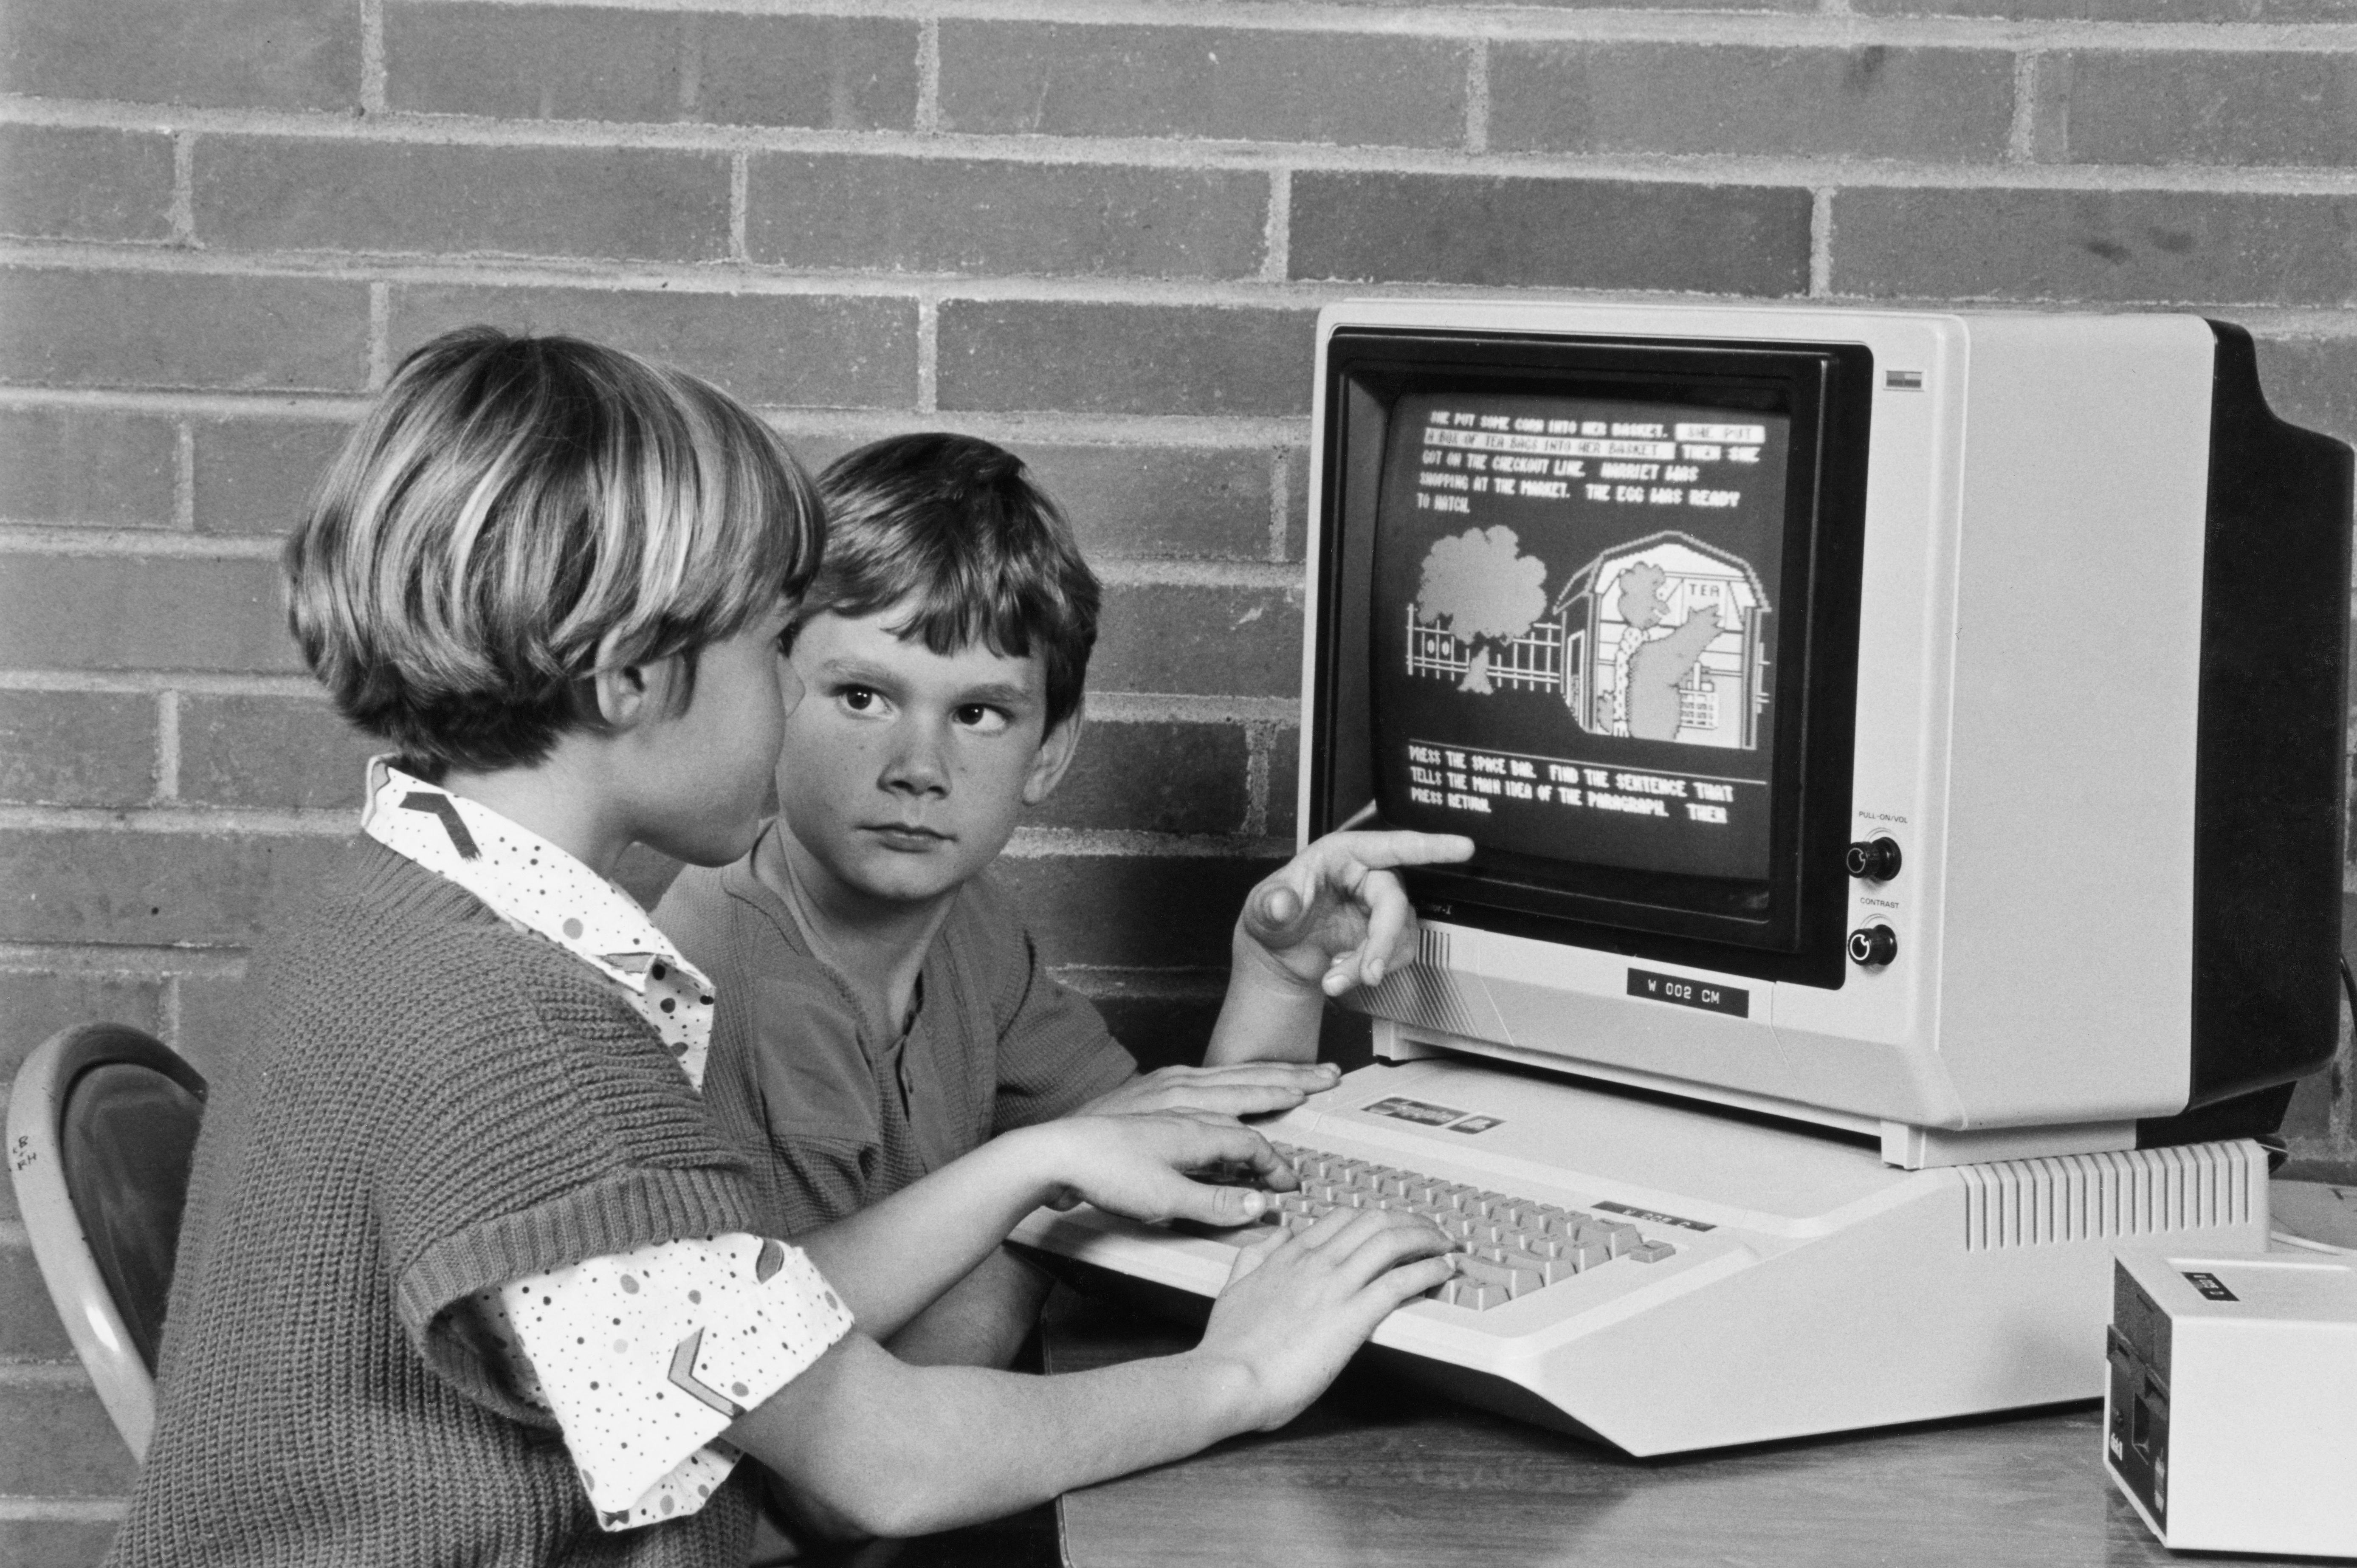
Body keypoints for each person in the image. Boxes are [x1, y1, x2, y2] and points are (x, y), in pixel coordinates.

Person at [106, 330, 1455, 1566]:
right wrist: (1240, 1376)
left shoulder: (396, 916)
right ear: (628, 672)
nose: (802, 712)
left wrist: (1032, 1164)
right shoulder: (518, 1046)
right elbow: (883, 1467)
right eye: (771, 648)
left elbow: (732, 1324)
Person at [655, 433, 1475, 1371]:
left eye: (978, 714)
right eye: (864, 698)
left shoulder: (973, 928)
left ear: (1048, 750)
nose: (918, 770)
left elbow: (1161, 1147)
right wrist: (1048, 1193)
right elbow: (849, 1447)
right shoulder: (723, 988)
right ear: (776, 689)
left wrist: (1280, 976)